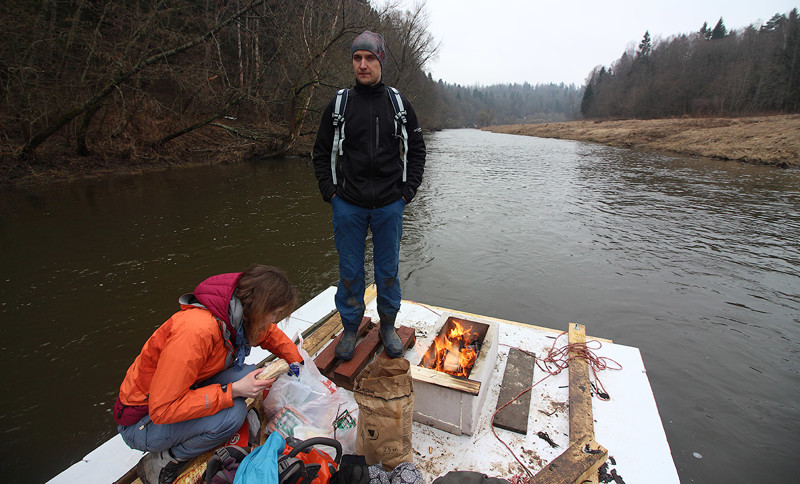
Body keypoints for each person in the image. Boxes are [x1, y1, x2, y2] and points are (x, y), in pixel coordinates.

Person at [113, 264, 303, 484]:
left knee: (254, 374)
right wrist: (232, 391)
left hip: (183, 392)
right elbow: (162, 409)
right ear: (259, 308)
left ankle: (210, 427)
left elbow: (268, 334)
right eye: (275, 314)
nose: (274, 320)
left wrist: (296, 361)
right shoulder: (196, 331)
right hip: (142, 422)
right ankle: (164, 461)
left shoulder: (236, 315)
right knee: (233, 414)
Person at [312, 31, 426, 361]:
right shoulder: (339, 104)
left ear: (381, 62)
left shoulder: (398, 104)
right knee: (350, 271)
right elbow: (321, 154)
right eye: (357, 58)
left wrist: (407, 192)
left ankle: (387, 326)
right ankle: (350, 328)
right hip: (347, 204)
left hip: (390, 204)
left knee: (387, 271)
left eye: (370, 58)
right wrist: (330, 193)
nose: (363, 65)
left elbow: (416, 150)